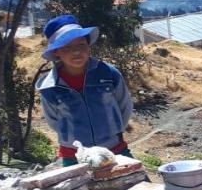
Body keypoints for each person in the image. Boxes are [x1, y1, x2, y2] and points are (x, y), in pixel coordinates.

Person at [35, 14, 133, 166]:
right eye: (67, 47)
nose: (76, 52)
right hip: (74, 156)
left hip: (114, 150)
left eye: (81, 45)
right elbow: (54, 121)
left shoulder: (108, 74)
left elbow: (124, 105)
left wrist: (113, 131)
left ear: (88, 46)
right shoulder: (50, 88)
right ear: (56, 52)